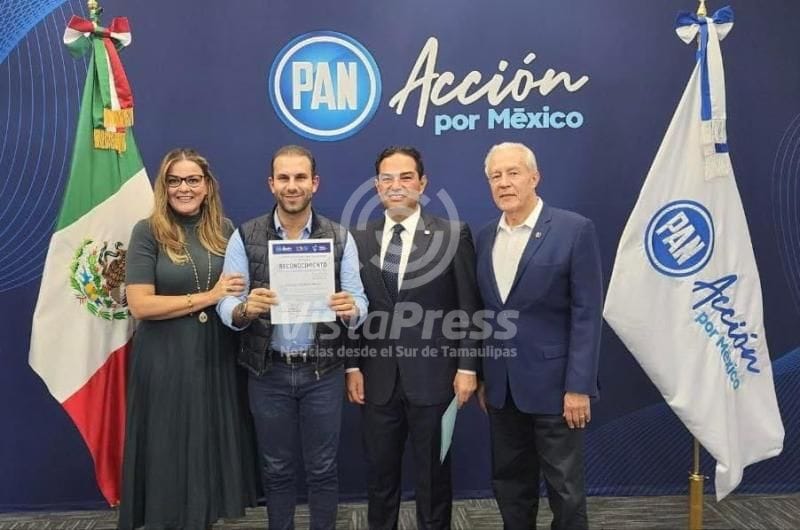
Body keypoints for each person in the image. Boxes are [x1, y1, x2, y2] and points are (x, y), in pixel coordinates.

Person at [216, 145, 368, 530]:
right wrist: (245, 309)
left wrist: (350, 308)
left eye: (300, 177)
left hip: (323, 373)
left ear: (315, 183)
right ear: (271, 184)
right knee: (276, 469)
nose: (292, 185)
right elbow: (227, 301)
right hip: (268, 372)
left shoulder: (339, 237)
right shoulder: (244, 235)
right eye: (283, 178)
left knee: (323, 468)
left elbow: (360, 301)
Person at [119, 148, 259, 529]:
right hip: (164, 359)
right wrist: (209, 297)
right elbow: (140, 305)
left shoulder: (225, 230)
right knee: (168, 450)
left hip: (216, 355)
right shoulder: (147, 231)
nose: (184, 188)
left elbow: (238, 293)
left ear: (207, 185)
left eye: (193, 180)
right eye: (175, 180)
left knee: (207, 451)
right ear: (163, 187)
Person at [346, 146, 482, 530]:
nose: (396, 186)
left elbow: (469, 308)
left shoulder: (452, 234)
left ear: (422, 184)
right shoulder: (357, 239)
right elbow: (352, 310)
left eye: (406, 177)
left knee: (434, 478)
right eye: (387, 178)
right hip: (377, 381)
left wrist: (468, 368)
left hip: (435, 380)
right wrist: (352, 365)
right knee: (380, 478)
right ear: (377, 187)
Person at [476, 142, 603, 530]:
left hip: (557, 389)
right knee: (510, 486)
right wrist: (483, 376)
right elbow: (484, 314)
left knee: (565, 490)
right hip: (502, 390)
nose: (504, 183)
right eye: (495, 176)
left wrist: (579, 386)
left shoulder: (573, 230)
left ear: (535, 177)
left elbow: (587, 314)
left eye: (513, 173)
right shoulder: (484, 237)